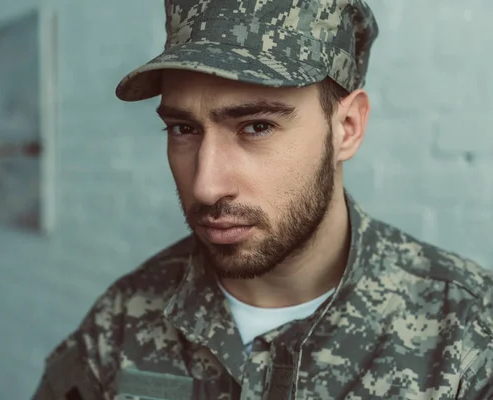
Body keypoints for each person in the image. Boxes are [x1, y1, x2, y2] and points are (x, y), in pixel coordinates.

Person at [31, 0, 493, 398]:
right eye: (183, 128)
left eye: (256, 127)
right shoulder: (123, 319)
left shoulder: (468, 337)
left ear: (346, 128)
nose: (206, 186)